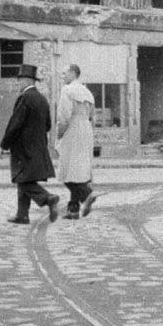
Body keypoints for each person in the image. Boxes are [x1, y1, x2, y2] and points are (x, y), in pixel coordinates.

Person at [0, 64, 60, 225]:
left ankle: (48, 198)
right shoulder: (42, 98)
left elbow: (15, 124)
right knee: (24, 178)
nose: (19, 84)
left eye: (20, 81)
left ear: (27, 80)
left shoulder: (25, 98)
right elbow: (48, 125)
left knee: (22, 179)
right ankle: (22, 215)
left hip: (23, 148)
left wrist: (4, 145)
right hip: (38, 146)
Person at [55, 64, 98, 220]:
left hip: (72, 129)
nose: (63, 76)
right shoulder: (87, 91)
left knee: (67, 169)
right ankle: (73, 210)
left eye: (65, 73)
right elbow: (93, 116)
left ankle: (86, 195)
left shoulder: (67, 90)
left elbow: (64, 116)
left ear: (73, 73)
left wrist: (59, 135)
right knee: (79, 169)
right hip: (85, 130)